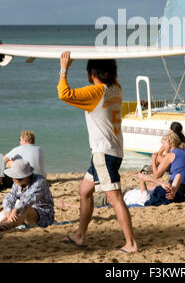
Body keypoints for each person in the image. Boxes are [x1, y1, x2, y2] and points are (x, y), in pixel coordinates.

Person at [57, 51, 137, 252]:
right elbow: (109, 73)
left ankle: (131, 243)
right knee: (84, 190)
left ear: (92, 73)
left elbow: (63, 93)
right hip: (112, 151)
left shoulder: (96, 93)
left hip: (104, 153)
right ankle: (80, 235)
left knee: (114, 198)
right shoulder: (116, 88)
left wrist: (64, 68)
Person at [0, 159, 54, 232]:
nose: (13, 180)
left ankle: (7, 225)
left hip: (43, 214)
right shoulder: (17, 182)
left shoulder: (39, 182)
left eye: (18, 178)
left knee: (24, 209)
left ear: (28, 177)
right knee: (8, 209)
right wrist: (8, 211)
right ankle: (4, 223)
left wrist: (15, 210)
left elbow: (28, 200)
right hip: (24, 210)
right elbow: (10, 196)